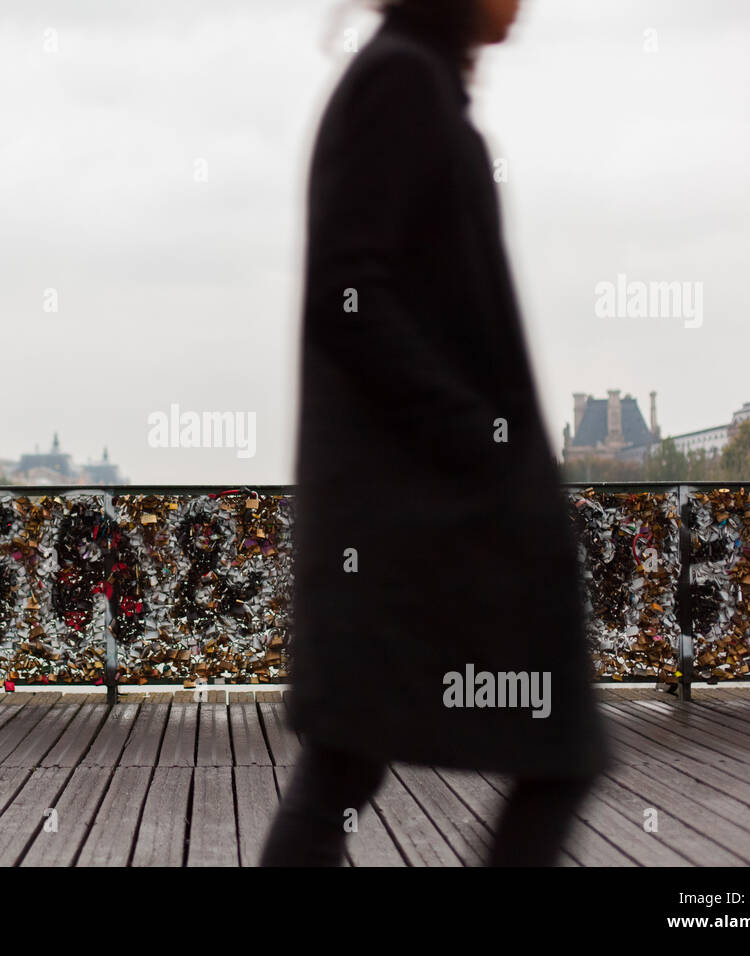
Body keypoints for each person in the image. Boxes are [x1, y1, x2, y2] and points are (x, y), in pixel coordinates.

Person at [262, 0, 611, 867]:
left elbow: (352, 293)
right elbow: (349, 296)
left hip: (409, 518)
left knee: (343, 767)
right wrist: (483, 439)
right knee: (560, 752)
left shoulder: (401, 79)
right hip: (438, 520)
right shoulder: (402, 82)